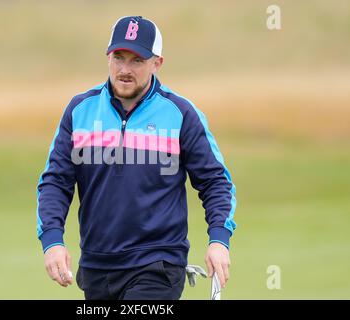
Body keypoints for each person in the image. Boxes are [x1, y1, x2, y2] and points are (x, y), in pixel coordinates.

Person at [36, 16, 237, 300]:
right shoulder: (80, 110)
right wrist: (52, 241)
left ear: (157, 63)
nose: (125, 69)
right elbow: (55, 182)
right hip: (97, 266)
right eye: (119, 57)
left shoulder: (180, 114)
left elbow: (216, 182)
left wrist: (219, 240)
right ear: (108, 57)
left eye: (137, 60)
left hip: (158, 265)